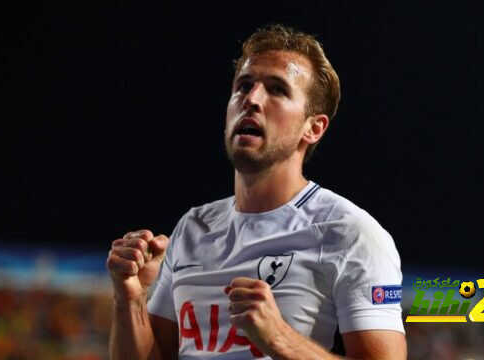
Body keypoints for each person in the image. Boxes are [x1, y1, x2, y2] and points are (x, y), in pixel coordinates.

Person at [106, 24, 407, 359]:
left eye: (277, 90)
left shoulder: (351, 234)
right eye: (244, 86)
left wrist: (280, 339)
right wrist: (129, 296)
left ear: (313, 127)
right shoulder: (192, 228)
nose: (251, 99)